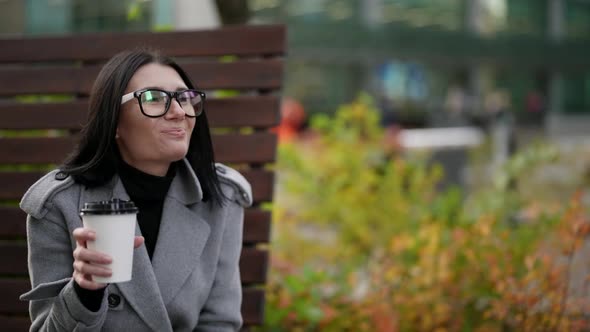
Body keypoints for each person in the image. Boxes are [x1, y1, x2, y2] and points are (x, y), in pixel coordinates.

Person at [18, 49, 252, 331]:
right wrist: (84, 292)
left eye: (184, 97)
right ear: (114, 121)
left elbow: (219, 323)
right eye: (154, 98)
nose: (179, 112)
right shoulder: (59, 204)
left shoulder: (221, 197)